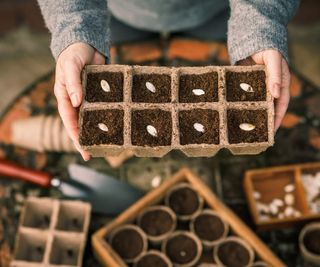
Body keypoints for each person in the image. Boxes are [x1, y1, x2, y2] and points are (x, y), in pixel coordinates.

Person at [37, 0, 299, 161]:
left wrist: (259, 27)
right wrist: (75, 28)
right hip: (117, 12)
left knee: (255, 69)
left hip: (220, 11)